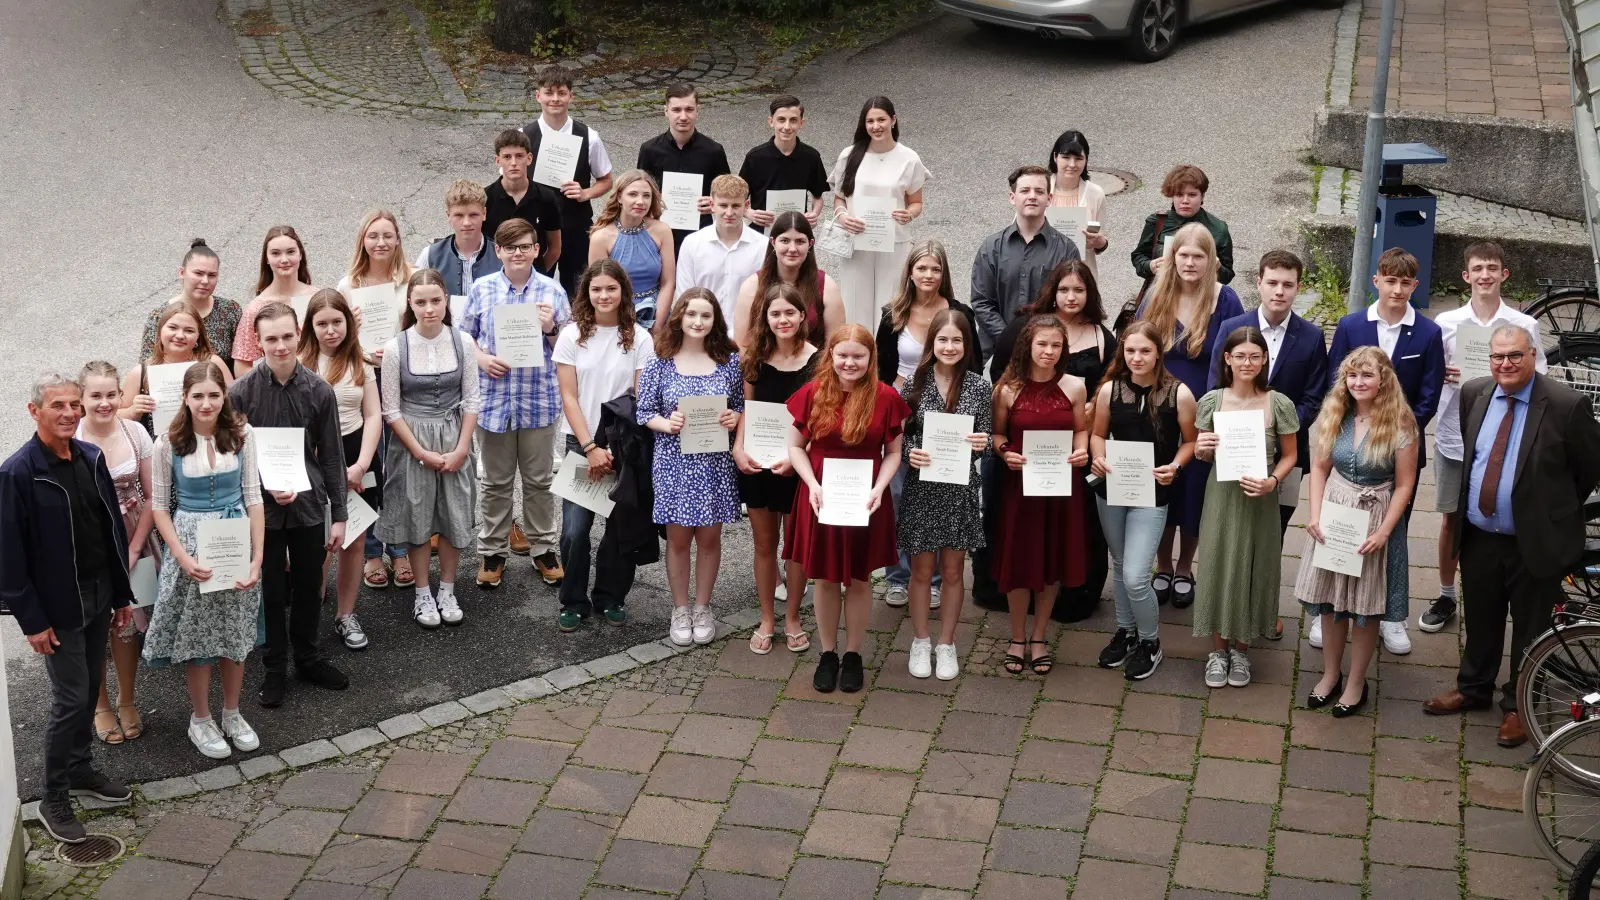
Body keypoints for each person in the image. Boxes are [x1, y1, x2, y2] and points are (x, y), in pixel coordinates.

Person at [1423, 325, 1600, 746]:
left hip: (1534, 540)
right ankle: (1473, 688)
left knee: (1531, 626)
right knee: (1481, 618)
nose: (1505, 363)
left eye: (1515, 356)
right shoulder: (1475, 394)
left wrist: (1550, 512)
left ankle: (1520, 704)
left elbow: (1588, 469)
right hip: (1481, 533)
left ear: (1533, 354)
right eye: (1498, 356)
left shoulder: (1565, 404)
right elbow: (1476, 455)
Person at [1, 373, 136, 842]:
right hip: (57, 606)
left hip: (99, 591)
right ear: (34, 410)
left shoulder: (90, 457)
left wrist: (121, 595)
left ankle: (80, 769)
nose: (69, 413)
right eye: (57, 405)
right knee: (71, 698)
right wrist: (32, 621)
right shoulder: (17, 472)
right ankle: (52, 797)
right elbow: (9, 557)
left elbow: (111, 530)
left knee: (92, 682)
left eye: (74, 404)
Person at [978, 260, 1117, 619]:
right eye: (1064, 289)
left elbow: (1111, 384)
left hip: (1068, 452)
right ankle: (1006, 592)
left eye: (1079, 290)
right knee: (1015, 527)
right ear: (1052, 291)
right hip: (1023, 450)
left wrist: (1087, 426)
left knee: (1068, 531)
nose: (1071, 297)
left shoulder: (1101, 335)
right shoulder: (1025, 327)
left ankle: (1070, 598)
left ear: (1090, 293)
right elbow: (1001, 378)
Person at [1420, 241, 1545, 635]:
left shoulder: (1524, 327)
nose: (1485, 275)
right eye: (1478, 268)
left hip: (1507, 441)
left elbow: (1541, 376)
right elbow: (1429, 372)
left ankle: (1497, 592)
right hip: (1456, 436)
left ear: (1504, 274)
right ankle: (1445, 595)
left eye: (1493, 267)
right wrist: (1442, 374)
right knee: (1451, 520)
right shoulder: (1446, 323)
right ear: (1466, 276)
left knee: (1502, 518)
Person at [1325, 247, 1444, 655]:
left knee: (1392, 536)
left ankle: (1392, 617)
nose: (1397, 289)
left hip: (1399, 449)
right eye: (1389, 280)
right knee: (1342, 527)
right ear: (1376, 281)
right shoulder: (1351, 324)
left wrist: (1396, 434)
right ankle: (1334, 608)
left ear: (1414, 285)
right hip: (1351, 446)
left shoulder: (1427, 333)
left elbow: (1429, 393)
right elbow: (1335, 382)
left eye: (1405, 282)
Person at [143, 362, 265, 760]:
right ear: (185, 398)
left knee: (236, 634)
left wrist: (257, 557)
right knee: (196, 637)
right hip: (191, 545)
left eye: (214, 395)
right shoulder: (168, 443)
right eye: (198, 396)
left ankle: (232, 712)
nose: (207, 403)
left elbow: (253, 498)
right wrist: (181, 556)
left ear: (223, 396)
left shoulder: (243, 436)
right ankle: (200, 718)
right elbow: (160, 506)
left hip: (235, 540)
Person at [230, 302, 349, 707]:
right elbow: (233, 457)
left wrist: (340, 515)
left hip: (308, 506)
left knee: (308, 585)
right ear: (258, 342)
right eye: (270, 339)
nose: (280, 346)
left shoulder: (319, 390)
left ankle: (308, 657)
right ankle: (275, 667)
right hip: (261, 509)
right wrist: (265, 484)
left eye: (286, 337)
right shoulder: (240, 393)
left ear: (298, 335)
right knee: (272, 590)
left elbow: (332, 456)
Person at [1209, 250, 1330, 640]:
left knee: (1271, 534)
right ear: (1258, 282)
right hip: (1235, 453)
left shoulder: (1311, 337)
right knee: (1231, 530)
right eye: (1272, 282)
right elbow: (1215, 385)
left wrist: (1279, 428)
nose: (1279, 291)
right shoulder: (1233, 325)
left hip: (1287, 457)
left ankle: (1261, 607)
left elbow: (1315, 396)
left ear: (1298, 288)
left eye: (1288, 284)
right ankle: (1229, 607)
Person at [785, 324, 910, 693]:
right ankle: (828, 653)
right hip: (822, 495)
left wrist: (879, 488)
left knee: (858, 577)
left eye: (858, 355)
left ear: (871, 358)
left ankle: (853, 653)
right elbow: (795, 447)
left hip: (866, 498)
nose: (849, 362)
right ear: (831, 356)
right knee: (823, 577)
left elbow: (895, 453)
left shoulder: (885, 397)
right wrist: (812, 484)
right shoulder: (813, 393)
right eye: (843, 355)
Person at [1297, 348, 1418, 716]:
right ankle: (1330, 675)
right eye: (1352, 375)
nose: (1358, 382)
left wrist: (1384, 532)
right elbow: (1318, 467)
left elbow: (1404, 485)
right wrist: (1315, 514)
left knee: (1365, 608)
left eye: (1367, 375)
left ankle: (1356, 683)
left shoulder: (1401, 423)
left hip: (1374, 518)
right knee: (1333, 604)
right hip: (1335, 513)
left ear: (1384, 380)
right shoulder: (1335, 413)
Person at [1137, 223, 1244, 610]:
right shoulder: (1156, 295)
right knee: (1163, 486)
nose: (1190, 263)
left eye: (1199, 256)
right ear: (1172, 257)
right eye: (1183, 255)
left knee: (1195, 491)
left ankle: (1185, 567)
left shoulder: (1225, 299)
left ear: (1211, 260)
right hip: (1160, 407)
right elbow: (1139, 348)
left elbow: (1236, 360)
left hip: (1205, 411)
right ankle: (1162, 565)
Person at [460, 218, 570, 590]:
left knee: (539, 481)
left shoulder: (553, 293)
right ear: (499, 251)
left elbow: (567, 350)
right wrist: (480, 358)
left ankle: (543, 549)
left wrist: (551, 329)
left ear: (537, 250)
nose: (518, 253)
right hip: (494, 402)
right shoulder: (482, 288)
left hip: (538, 400)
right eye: (511, 247)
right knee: (494, 482)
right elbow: (464, 337)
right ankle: (492, 551)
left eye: (525, 246)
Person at [1191, 327, 1300, 689]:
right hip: (1222, 496)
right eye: (1240, 356)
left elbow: (1291, 455)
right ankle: (1217, 651)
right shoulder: (1212, 401)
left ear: (1265, 360)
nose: (1247, 363)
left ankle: (1241, 648)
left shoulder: (1277, 402)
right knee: (1218, 562)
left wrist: (1273, 481)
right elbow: (1202, 454)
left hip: (1261, 498)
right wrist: (1201, 446)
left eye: (1255, 356)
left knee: (1256, 565)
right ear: (1227, 359)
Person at [874, 240, 979, 611]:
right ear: (910, 272)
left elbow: (975, 367)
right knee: (898, 496)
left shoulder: (958, 313)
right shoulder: (893, 314)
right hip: (902, 415)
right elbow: (880, 369)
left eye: (935, 269)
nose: (928, 276)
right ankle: (899, 576)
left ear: (944, 273)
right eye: (922, 268)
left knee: (938, 499)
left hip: (946, 420)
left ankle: (933, 580)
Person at [554, 260, 657, 631]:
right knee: (574, 530)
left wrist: (614, 447)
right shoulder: (572, 336)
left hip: (625, 445)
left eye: (611, 289)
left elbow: (639, 396)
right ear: (586, 293)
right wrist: (590, 446)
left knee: (620, 529)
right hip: (582, 441)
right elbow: (569, 396)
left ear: (623, 292)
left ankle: (610, 596)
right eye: (596, 289)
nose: (603, 295)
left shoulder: (640, 338)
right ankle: (573, 600)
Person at [1091, 322, 1198, 681]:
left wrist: (1175, 466)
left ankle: (1151, 641)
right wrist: (1098, 456)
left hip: (1152, 493)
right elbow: (1096, 434)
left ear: (1158, 354)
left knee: (1137, 575)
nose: (1137, 358)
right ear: (1122, 351)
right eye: (1130, 350)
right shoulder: (1109, 390)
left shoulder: (1178, 394)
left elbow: (1190, 442)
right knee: (1120, 564)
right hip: (1112, 489)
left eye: (1145, 351)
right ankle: (1127, 631)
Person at [376, 270, 481, 630]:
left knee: (454, 513)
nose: (429, 308)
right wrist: (420, 451)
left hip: (454, 436)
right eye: (420, 302)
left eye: (435, 300)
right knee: (417, 515)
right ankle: (423, 591)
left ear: (446, 301)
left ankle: (447, 589)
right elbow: (391, 409)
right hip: (412, 441)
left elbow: (471, 399)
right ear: (410, 304)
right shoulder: (395, 347)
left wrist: (462, 448)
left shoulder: (463, 341)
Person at [639, 288, 743, 646]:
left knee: (710, 537)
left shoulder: (729, 360)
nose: (698, 322)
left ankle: (703, 606)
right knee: (679, 538)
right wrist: (668, 424)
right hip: (674, 462)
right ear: (679, 317)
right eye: (692, 314)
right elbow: (644, 411)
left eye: (706, 315)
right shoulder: (661, 359)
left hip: (714, 462)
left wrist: (733, 417)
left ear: (715, 320)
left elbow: (740, 405)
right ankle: (680, 609)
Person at [991, 315, 1091, 676]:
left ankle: (1039, 637)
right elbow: (996, 435)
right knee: (1020, 562)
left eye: (1056, 345)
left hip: (1061, 488)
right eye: (1042, 344)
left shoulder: (1076, 387)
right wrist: (1006, 453)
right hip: (1021, 489)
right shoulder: (1007, 389)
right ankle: (1017, 637)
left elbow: (1082, 430)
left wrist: (1081, 452)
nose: (1049, 352)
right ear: (1028, 347)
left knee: (1051, 564)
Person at [896, 310, 990, 680]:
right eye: (942, 340)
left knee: (952, 572)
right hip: (921, 490)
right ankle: (921, 640)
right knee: (920, 572)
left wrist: (982, 444)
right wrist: (910, 453)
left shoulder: (979, 387)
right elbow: (898, 439)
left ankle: (947, 642)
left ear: (966, 346)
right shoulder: (913, 385)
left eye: (957, 340)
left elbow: (985, 440)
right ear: (931, 343)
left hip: (960, 491)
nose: (949, 347)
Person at [76, 363, 160, 744]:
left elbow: (151, 495)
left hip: (132, 535)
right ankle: (100, 704)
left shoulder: (136, 431)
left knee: (125, 622)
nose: (105, 403)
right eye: (95, 395)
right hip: (87, 542)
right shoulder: (72, 437)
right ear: (81, 399)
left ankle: (128, 700)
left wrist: (135, 547)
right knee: (93, 626)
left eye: (111, 394)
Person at [733, 283, 817, 653]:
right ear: (765, 319)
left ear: (802, 316)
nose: (783, 320)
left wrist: (800, 457)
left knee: (795, 549)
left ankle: (794, 617)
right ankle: (767, 618)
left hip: (799, 466)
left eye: (789, 313)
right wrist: (737, 448)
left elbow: (824, 419)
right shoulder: (753, 358)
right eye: (775, 313)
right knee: (765, 546)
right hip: (759, 463)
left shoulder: (820, 361)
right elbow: (747, 411)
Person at [336, 211, 416, 590]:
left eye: (388, 235)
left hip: (403, 377)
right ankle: (371, 551)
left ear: (398, 239)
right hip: (363, 375)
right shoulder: (347, 285)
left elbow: (431, 321)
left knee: (398, 464)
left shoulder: (411, 278)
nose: (381, 243)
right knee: (367, 465)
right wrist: (350, 328)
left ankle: (398, 548)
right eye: (373, 236)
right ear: (362, 241)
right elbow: (330, 335)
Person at [297, 291, 381, 651]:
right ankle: (310, 606)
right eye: (322, 323)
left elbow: (373, 415)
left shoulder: (359, 362)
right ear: (310, 327)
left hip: (356, 455)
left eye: (337, 322)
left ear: (348, 322)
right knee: (317, 543)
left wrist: (361, 465)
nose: (331, 330)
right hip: (313, 461)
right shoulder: (300, 365)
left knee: (354, 540)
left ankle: (346, 614)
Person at [829, 96, 931, 327]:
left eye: (881, 119)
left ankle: (885, 359)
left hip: (894, 242)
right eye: (870, 121)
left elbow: (916, 203)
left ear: (893, 120)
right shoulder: (849, 155)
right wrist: (844, 218)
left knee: (891, 303)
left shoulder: (909, 158)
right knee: (854, 302)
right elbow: (839, 199)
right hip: (856, 240)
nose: (876, 126)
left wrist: (909, 214)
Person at [522, 65, 616, 297]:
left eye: (561, 93)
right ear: (538, 96)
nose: (555, 99)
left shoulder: (589, 137)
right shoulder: (524, 135)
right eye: (549, 92)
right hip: (536, 227)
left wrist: (585, 193)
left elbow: (606, 180)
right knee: (534, 290)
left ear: (571, 96)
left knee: (579, 290)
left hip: (575, 223)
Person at [970, 165, 1078, 358]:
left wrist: (1040, 341)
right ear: (1012, 198)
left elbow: (1070, 304)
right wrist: (1009, 339)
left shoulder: (1066, 250)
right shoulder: (991, 247)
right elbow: (982, 302)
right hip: (996, 352)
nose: (1032, 196)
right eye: (1025, 191)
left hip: (1047, 354)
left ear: (1049, 199)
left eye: (1039, 191)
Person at [635, 83, 731, 250]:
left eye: (689, 109)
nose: (683, 116)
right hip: (658, 232)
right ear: (666, 111)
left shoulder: (713, 151)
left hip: (700, 233)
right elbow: (640, 190)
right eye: (676, 110)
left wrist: (714, 203)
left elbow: (726, 194)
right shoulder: (649, 150)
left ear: (698, 110)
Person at [731, 211, 845, 346]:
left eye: (800, 241)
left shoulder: (827, 286)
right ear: (773, 242)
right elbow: (743, 345)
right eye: (785, 241)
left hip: (814, 365)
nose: (792, 249)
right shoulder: (752, 286)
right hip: (762, 365)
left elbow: (834, 345)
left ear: (810, 243)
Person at [121, 305, 235, 435]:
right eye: (172, 328)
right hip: (160, 447)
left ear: (199, 335)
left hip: (210, 440)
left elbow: (235, 404)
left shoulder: (213, 363)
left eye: (189, 330)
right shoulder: (141, 372)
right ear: (160, 331)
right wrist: (132, 411)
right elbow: (115, 416)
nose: (180, 335)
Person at [589, 170, 675, 331]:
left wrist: (657, 326)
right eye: (633, 194)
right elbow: (600, 288)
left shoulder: (662, 231)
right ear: (620, 197)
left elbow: (668, 282)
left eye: (646, 196)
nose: (640, 201)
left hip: (657, 313)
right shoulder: (601, 238)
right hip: (616, 315)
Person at [674, 174, 764, 327]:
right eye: (723, 205)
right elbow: (685, 295)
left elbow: (764, 296)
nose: (729, 213)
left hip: (746, 334)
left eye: (736, 206)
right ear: (712, 204)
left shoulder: (762, 246)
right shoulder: (692, 243)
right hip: (703, 332)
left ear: (746, 205)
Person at [140, 239, 242, 373]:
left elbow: (242, 360)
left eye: (212, 275)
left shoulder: (230, 311)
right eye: (198, 273)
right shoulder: (159, 316)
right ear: (182, 273)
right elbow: (147, 367)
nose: (205, 281)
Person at [1131, 164, 1235, 290]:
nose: (1185, 201)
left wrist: (1217, 267)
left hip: (1201, 298)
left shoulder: (1218, 229)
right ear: (1172, 196)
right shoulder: (1157, 222)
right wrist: (1149, 266)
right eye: (1179, 195)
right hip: (1161, 295)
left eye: (1192, 195)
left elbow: (1227, 276)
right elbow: (1139, 256)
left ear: (1202, 196)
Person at [234, 226, 319, 377]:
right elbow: (241, 368)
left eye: (290, 252)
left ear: (300, 254)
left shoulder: (317, 298)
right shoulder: (255, 309)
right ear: (267, 259)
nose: (284, 260)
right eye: (276, 253)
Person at [739, 94, 829, 227]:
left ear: (801, 123)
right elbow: (737, 197)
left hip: (797, 231)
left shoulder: (811, 157)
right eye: (781, 119)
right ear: (771, 121)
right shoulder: (755, 157)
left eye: (793, 120)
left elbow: (817, 196)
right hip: (761, 232)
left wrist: (814, 214)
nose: (787, 127)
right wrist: (749, 213)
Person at [483, 129, 563, 275]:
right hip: (495, 279)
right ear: (498, 160)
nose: (513, 163)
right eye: (507, 157)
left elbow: (555, 248)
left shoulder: (546, 198)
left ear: (529, 158)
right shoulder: (485, 198)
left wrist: (538, 273)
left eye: (519, 156)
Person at [414, 179, 502, 299]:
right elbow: (415, 296)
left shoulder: (502, 255)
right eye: (459, 215)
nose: (466, 223)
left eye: (473, 215)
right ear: (448, 215)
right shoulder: (429, 255)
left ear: (484, 214)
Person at [1047, 130, 1109, 276]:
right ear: (1055, 157)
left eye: (1078, 158)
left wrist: (1099, 242)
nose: (1072, 164)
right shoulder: (1039, 188)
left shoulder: (1095, 194)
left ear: (1086, 160)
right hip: (1043, 274)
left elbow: (1101, 241)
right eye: (1066, 157)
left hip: (1080, 277)